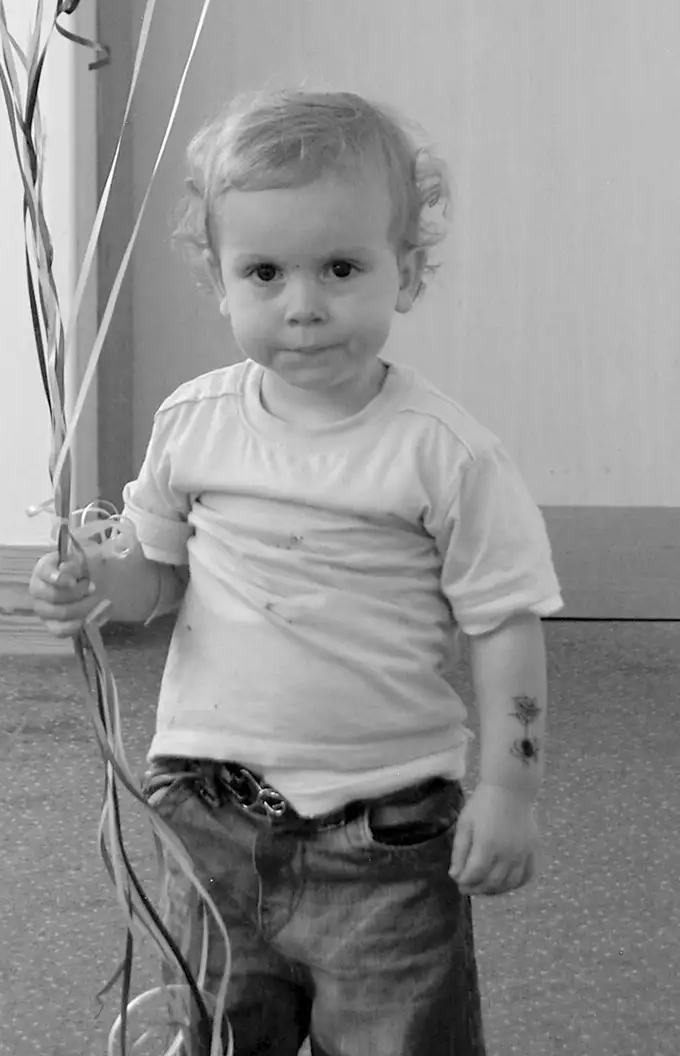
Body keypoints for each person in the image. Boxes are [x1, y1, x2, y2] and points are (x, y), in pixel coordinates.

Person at [29, 85, 563, 1056]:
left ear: (407, 272)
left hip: (387, 838)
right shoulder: (195, 420)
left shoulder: (444, 453)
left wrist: (508, 789)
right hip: (207, 816)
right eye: (264, 272)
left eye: (341, 267)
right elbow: (157, 578)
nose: (303, 305)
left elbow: (503, 624)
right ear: (218, 279)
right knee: (222, 1035)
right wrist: (100, 591)